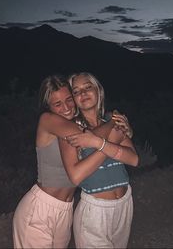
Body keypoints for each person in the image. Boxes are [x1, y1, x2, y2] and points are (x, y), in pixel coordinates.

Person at [12, 75, 124, 249]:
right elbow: (85, 138)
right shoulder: (48, 120)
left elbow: (96, 140)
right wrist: (113, 122)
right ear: (48, 107)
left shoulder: (79, 123)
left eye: (69, 100)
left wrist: (123, 129)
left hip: (66, 210)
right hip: (40, 209)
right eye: (57, 104)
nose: (66, 108)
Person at [58, 72, 139, 249]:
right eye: (76, 91)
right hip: (95, 213)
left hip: (124, 204)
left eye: (88, 87)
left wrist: (97, 143)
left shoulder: (112, 120)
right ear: (73, 99)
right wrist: (111, 144)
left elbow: (133, 159)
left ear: (98, 91)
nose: (83, 93)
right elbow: (76, 176)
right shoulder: (71, 129)